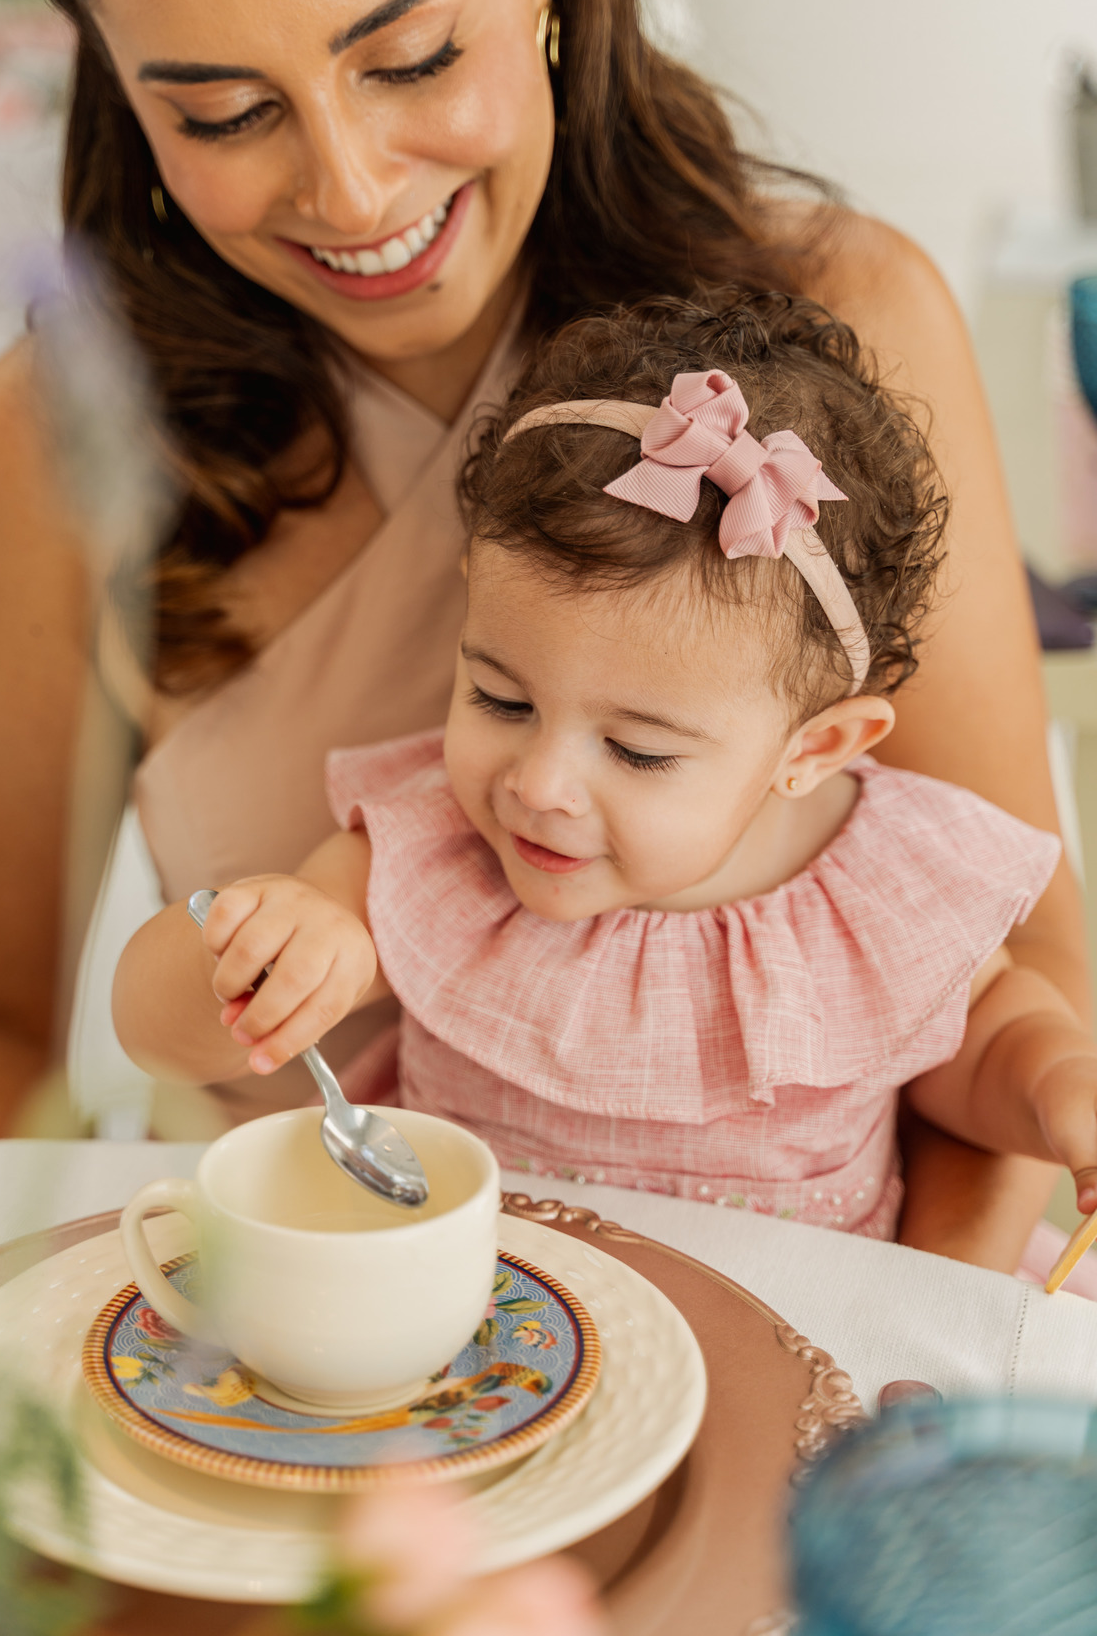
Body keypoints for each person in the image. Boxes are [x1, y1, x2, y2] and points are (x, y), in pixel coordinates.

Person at [0, 0, 1079, 1268]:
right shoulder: (55, 449)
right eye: (221, 111)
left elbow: (1013, 990)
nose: (348, 192)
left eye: (410, 56)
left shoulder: (847, 332)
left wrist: (858, 1389)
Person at [113, 295, 1097, 1254]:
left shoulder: (886, 881)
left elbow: (984, 1051)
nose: (540, 784)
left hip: (798, 1362)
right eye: (501, 698)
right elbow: (159, 1035)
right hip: (488, 1355)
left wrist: (1060, 1088)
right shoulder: (436, 851)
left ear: (813, 750)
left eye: (638, 752)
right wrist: (258, 952)